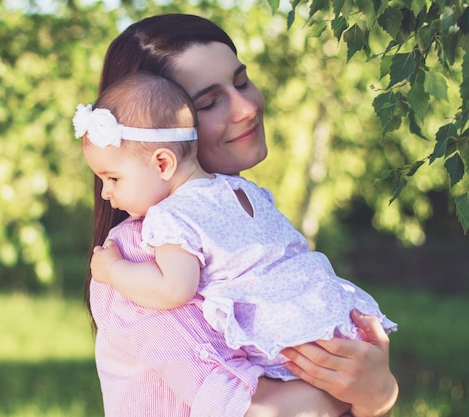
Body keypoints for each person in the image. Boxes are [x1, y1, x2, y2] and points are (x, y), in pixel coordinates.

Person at [85, 13, 399, 417]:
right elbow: (261, 411)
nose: (248, 107)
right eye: (211, 102)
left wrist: (370, 396)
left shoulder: (247, 213)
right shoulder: (140, 259)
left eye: (241, 82)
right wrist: (372, 395)